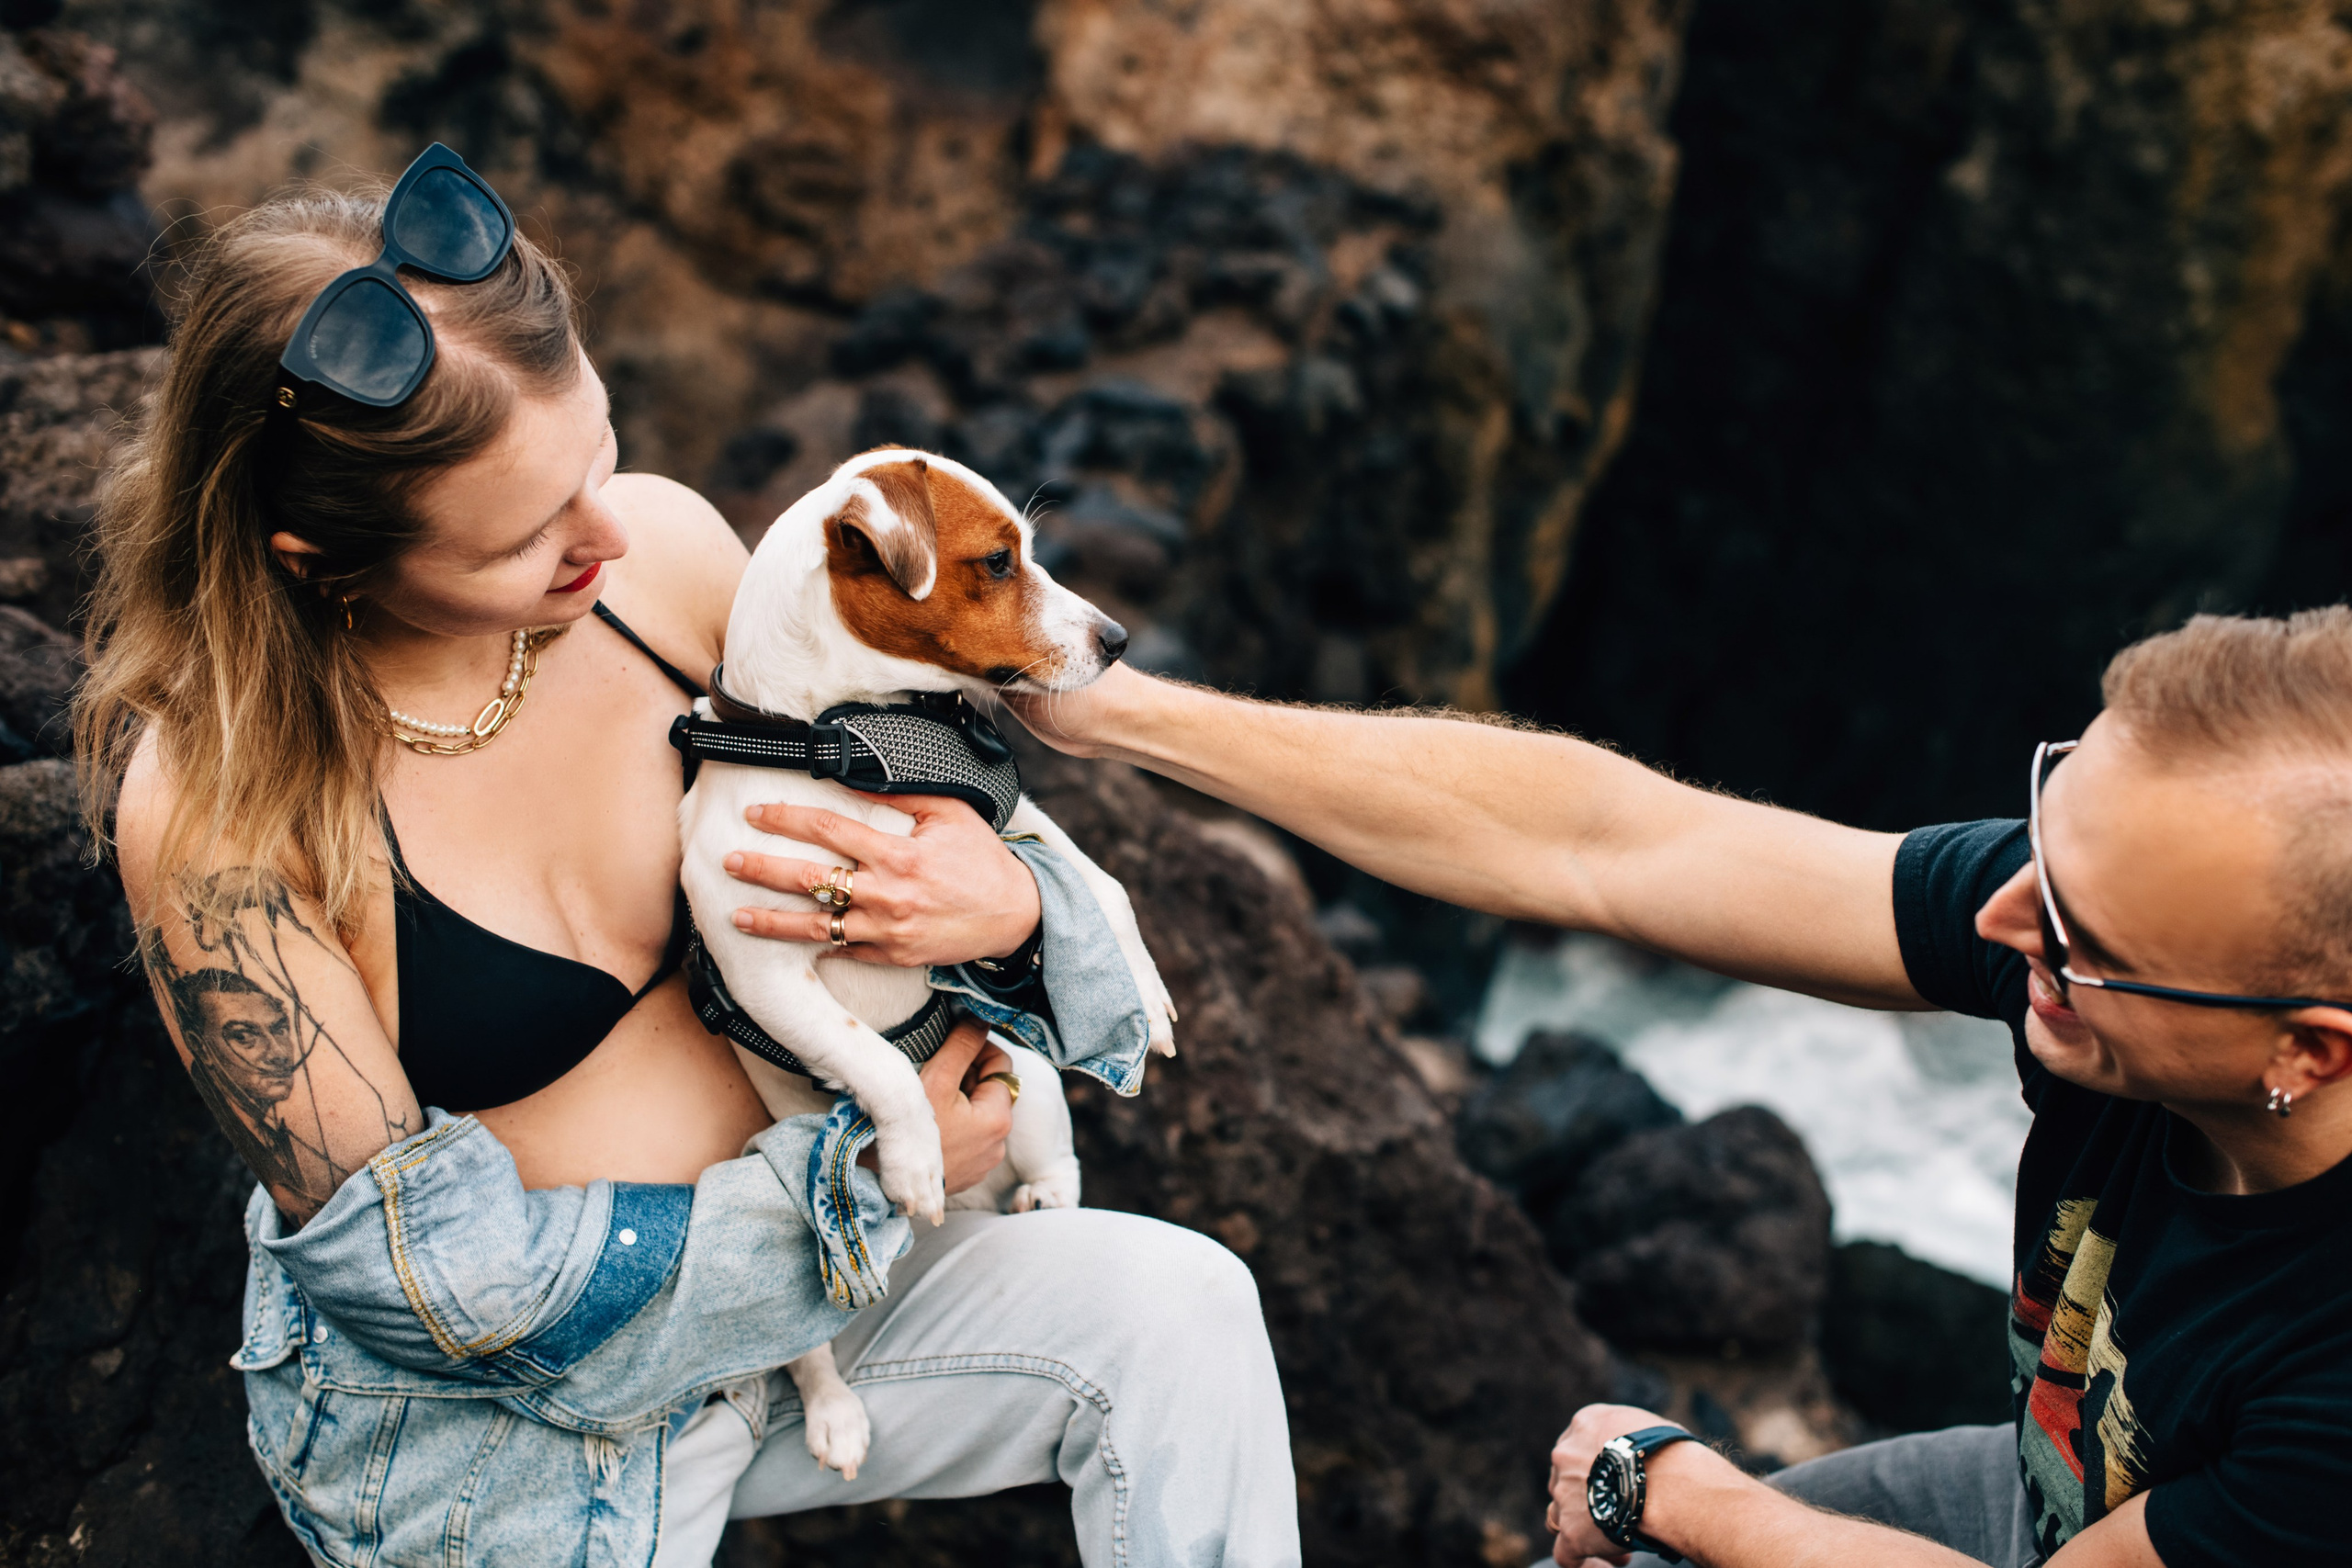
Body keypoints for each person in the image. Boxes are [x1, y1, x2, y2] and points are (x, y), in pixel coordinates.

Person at [75, 149, 1297, 1568]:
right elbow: (429, 1286)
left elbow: (960, 808)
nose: (607, 531)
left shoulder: (660, 567)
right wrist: (843, 1184)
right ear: (319, 559)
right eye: (532, 534)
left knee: (1180, 1317)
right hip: (517, 1439)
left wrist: (1015, 903)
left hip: (824, 1311)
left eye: (596, 453)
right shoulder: (228, 807)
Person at [1012, 609, 2352, 1568]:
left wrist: (1688, 1494)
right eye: (2043, 838)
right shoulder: (2103, 934)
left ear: (2309, 1051)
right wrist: (1115, 708)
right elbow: (1614, 844)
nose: (2002, 922)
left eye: (2079, 934)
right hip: (2058, 1487)